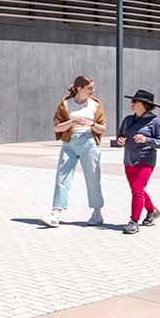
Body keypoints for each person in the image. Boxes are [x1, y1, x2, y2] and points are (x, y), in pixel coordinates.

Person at [46, 75, 105, 227]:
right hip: (69, 143)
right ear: (79, 88)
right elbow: (56, 127)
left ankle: (97, 212)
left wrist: (91, 124)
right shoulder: (65, 104)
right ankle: (56, 212)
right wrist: (71, 122)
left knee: (93, 178)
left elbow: (102, 128)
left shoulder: (95, 105)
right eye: (89, 88)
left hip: (89, 143)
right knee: (62, 176)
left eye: (92, 88)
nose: (93, 91)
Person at [110, 88, 160, 234]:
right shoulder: (128, 120)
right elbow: (120, 137)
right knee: (138, 190)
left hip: (146, 160)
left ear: (144, 104)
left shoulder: (155, 122)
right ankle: (152, 211)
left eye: (134, 101)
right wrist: (120, 141)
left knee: (137, 190)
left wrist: (146, 139)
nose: (131, 103)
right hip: (129, 160)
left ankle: (133, 221)